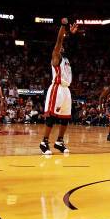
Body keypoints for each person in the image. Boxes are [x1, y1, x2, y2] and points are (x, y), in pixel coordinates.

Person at [39, 19, 78, 155]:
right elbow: (60, 40)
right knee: (51, 117)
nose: (62, 47)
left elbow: (69, 45)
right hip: (57, 88)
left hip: (66, 89)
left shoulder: (66, 59)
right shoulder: (56, 56)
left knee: (66, 117)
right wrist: (63, 26)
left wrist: (72, 34)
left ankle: (59, 141)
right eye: (60, 46)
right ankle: (44, 142)